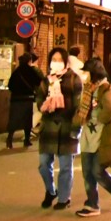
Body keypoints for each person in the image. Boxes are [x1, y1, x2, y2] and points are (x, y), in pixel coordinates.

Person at [75, 60, 111, 217]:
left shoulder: (105, 90)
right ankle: (92, 204)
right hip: (87, 136)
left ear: (94, 74)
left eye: (87, 72)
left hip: (101, 137)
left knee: (97, 171)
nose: (85, 75)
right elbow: (81, 111)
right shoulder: (88, 90)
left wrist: (99, 119)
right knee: (87, 172)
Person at [36, 46, 83, 210]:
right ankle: (51, 191)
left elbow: (78, 106)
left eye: (59, 60)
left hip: (67, 128)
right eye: (53, 60)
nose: (56, 63)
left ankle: (64, 198)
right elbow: (39, 100)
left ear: (65, 62)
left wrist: (75, 128)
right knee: (43, 164)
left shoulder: (74, 79)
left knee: (65, 167)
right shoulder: (46, 81)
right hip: (48, 127)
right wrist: (46, 104)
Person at [6, 53, 44, 149]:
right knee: (27, 120)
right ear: (29, 61)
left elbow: (10, 85)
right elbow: (39, 81)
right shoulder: (31, 71)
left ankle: (9, 139)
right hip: (27, 98)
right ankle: (26, 140)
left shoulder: (16, 72)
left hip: (15, 99)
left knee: (14, 120)